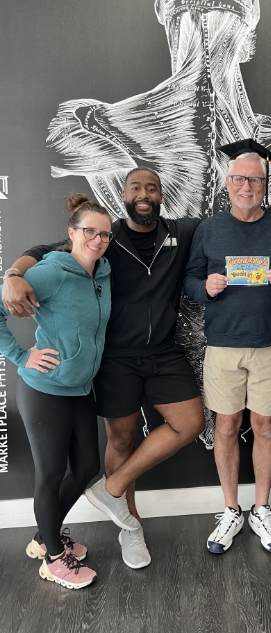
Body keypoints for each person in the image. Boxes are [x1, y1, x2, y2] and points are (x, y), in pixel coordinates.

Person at [2, 166, 271, 569]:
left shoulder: (185, 231)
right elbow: (44, 249)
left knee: (191, 423)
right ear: (124, 196)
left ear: (162, 196)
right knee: (121, 440)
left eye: (152, 188)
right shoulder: (105, 237)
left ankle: (112, 488)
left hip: (164, 351)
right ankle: (130, 528)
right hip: (116, 358)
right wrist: (13, 273)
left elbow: (238, 214)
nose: (144, 194)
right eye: (136, 188)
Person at [184, 141, 271, 554]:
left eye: (255, 180)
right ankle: (230, 509)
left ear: (265, 184)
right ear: (227, 182)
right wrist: (205, 287)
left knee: (266, 427)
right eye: (239, 179)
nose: (246, 186)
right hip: (223, 346)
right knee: (225, 426)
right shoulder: (209, 229)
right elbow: (189, 282)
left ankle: (261, 509)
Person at [0, 195, 112, 589]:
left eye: (105, 234)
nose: (97, 240)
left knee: (86, 468)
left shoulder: (103, 273)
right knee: (50, 475)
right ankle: (52, 558)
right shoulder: (52, 272)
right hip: (45, 389)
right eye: (89, 231)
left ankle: (44, 536)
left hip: (80, 388)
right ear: (72, 233)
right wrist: (20, 355)